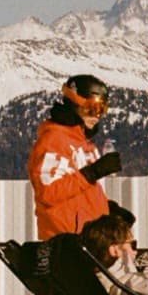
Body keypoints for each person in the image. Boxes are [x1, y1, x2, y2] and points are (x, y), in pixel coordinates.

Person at [27, 74, 121, 240]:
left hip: (89, 239)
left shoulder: (81, 141)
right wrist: (93, 172)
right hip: (66, 241)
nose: (96, 116)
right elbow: (48, 192)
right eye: (92, 108)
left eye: (102, 110)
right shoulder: (54, 140)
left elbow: (80, 191)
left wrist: (108, 210)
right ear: (74, 104)